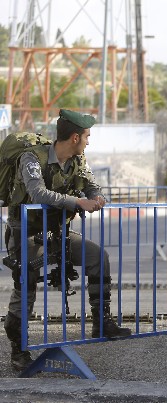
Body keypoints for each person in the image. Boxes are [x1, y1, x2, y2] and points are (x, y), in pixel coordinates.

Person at [4, 109, 132, 371]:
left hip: (56, 232)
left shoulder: (78, 160)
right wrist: (77, 201)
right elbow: (38, 192)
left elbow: (92, 186)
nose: (88, 141)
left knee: (98, 257)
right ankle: (19, 349)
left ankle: (101, 322)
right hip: (25, 232)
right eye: (86, 136)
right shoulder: (32, 158)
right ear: (74, 137)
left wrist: (97, 198)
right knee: (26, 284)